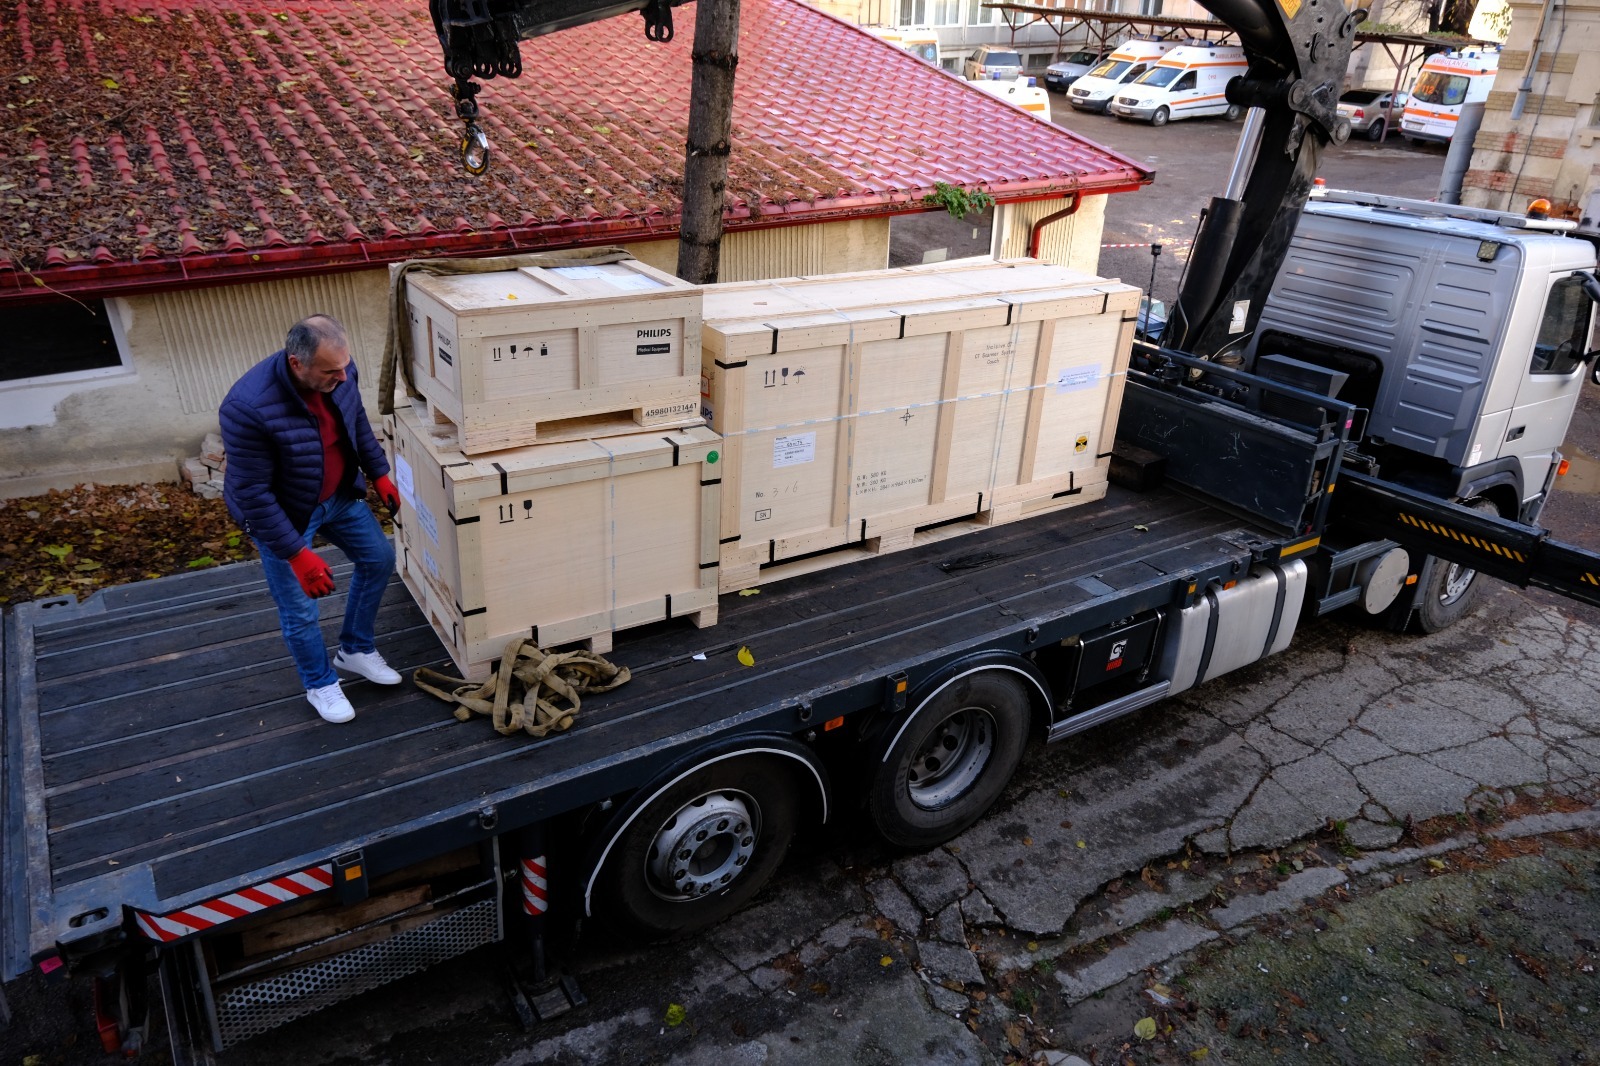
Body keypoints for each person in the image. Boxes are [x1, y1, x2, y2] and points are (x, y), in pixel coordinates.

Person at [221, 314, 404, 723]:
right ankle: (320, 683)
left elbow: (356, 422)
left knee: (379, 559)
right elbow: (252, 494)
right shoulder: (248, 407)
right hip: (283, 514)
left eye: (344, 366)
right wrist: (296, 554)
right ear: (296, 363)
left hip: (338, 496)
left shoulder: (341, 371)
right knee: (300, 608)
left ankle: (355, 649)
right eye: (330, 372)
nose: (342, 376)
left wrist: (379, 472)